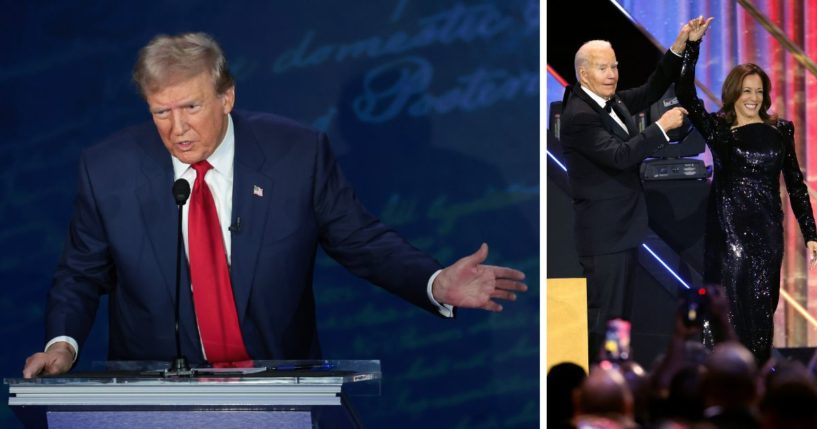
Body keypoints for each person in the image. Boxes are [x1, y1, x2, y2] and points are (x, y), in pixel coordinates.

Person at [22, 32, 527, 377]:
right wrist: (61, 346)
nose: (177, 129)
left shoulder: (296, 154)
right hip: (155, 391)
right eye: (161, 112)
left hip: (279, 384)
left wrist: (434, 282)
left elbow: (361, 241)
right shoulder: (107, 168)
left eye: (192, 107)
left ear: (227, 97)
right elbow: (80, 273)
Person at [675, 16, 817, 364]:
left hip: (767, 237)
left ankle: (754, 382)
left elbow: (796, 185)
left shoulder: (781, 130)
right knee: (729, 314)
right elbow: (684, 93)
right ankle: (724, 380)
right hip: (729, 236)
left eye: (759, 91)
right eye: (747, 90)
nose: (754, 98)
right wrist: (692, 47)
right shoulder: (720, 131)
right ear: (733, 93)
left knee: (761, 311)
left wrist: (811, 233)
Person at [559, 21, 696, 360]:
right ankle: (603, 385)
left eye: (615, 65)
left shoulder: (608, 100)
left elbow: (651, 91)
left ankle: (617, 377)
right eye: (604, 67)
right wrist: (660, 128)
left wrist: (679, 46)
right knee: (607, 319)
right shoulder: (579, 116)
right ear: (583, 74)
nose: (613, 73)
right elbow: (620, 156)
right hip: (605, 237)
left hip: (622, 231)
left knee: (618, 320)